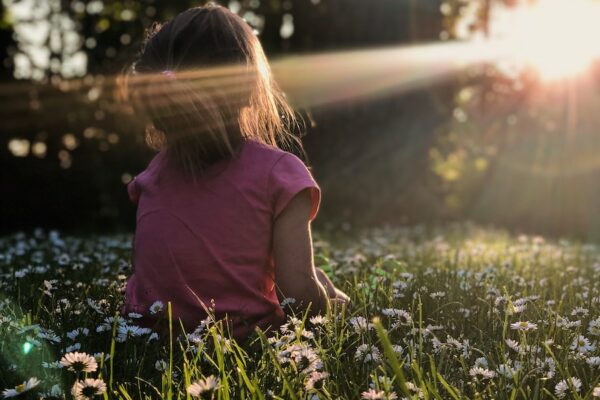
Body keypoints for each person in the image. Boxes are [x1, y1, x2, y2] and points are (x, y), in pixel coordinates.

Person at [120, 3, 349, 340]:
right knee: (321, 285)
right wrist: (336, 306)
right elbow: (298, 296)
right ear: (246, 88)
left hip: (150, 336)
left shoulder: (152, 176)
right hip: (244, 342)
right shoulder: (279, 174)